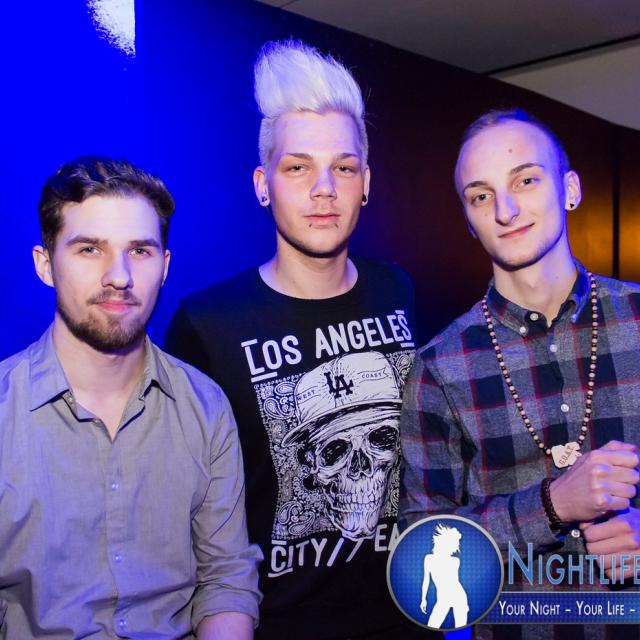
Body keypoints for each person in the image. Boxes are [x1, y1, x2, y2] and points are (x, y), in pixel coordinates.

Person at [165, 41, 428, 639]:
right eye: (297, 167)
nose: (323, 188)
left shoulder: (397, 290)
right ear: (263, 184)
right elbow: (176, 511)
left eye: (344, 167)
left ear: (365, 183)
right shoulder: (207, 322)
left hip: (408, 617)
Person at [400, 108, 640, 639]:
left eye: (526, 180)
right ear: (469, 220)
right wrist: (551, 505)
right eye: (481, 196)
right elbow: (420, 556)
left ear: (569, 189)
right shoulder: (440, 367)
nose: (505, 210)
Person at [0, 156, 261, 639]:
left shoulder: (205, 407)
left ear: (164, 267)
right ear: (45, 264)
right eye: (89, 249)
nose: (118, 276)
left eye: (139, 251)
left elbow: (226, 580)